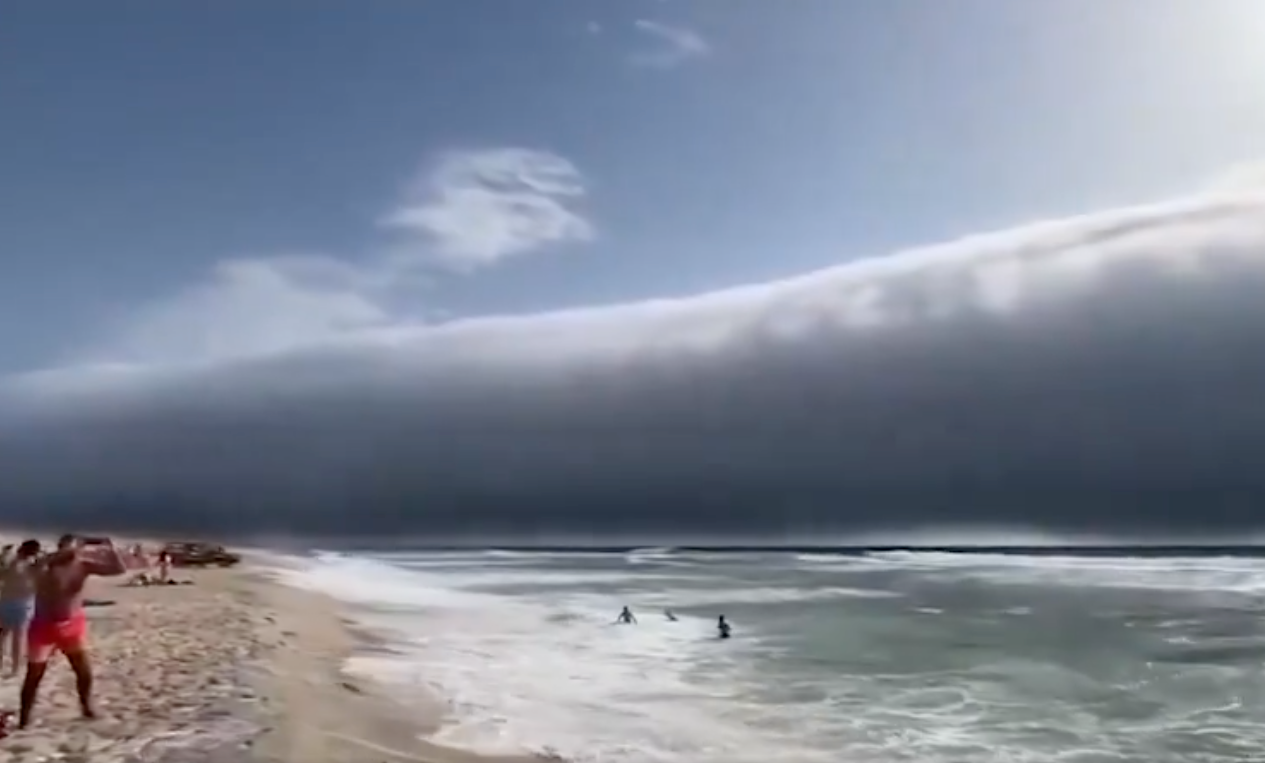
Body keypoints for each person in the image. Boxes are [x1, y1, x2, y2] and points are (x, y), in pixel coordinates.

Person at [19, 534, 127, 728]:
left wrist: (111, 548)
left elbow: (119, 569)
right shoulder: (47, 565)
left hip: (72, 625)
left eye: (75, 547)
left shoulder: (83, 565)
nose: (72, 551)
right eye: (67, 547)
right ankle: (24, 718)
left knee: (84, 670)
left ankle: (87, 707)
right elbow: (32, 572)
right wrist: (52, 557)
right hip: (44, 625)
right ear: (60, 547)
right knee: (34, 674)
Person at [0, 540, 41, 676]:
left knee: (5, 636)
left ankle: (9, 667)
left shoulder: (14, 564)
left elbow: (2, 575)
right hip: (23, 604)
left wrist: (3, 555)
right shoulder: (36, 566)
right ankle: (15, 669)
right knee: (18, 638)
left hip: (8, 602)